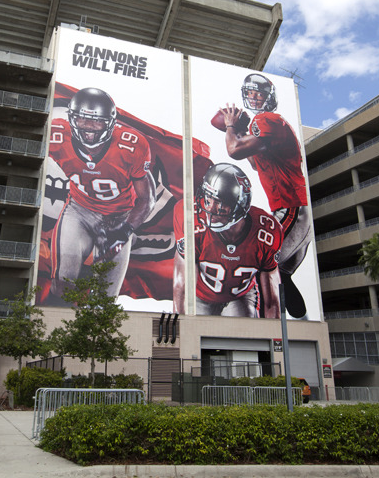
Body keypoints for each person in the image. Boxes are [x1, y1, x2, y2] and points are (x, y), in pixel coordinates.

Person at [217, 73, 311, 317]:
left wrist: (230, 125)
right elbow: (255, 162)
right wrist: (240, 129)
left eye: (259, 93)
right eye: (250, 93)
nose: (254, 97)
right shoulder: (264, 127)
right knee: (279, 274)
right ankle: (297, 323)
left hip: (291, 209)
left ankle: (265, 330)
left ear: (269, 97)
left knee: (258, 264)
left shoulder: (269, 120)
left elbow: (234, 150)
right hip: (293, 211)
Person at [48, 87, 155, 298]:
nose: (89, 127)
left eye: (97, 121)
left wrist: (124, 231)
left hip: (119, 217)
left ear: (111, 123)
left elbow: (146, 199)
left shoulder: (130, 145)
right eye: (82, 119)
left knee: (105, 299)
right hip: (79, 211)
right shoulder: (56, 136)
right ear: (71, 118)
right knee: (62, 282)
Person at [173, 163, 283, 317]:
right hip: (201, 296)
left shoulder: (266, 232)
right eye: (208, 199)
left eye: (219, 203)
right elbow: (183, 287)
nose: (209, 210)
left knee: (245, 336)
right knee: (194, 335)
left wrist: (277, 339)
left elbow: (272, 301)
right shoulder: (190, 218)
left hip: (240, 296)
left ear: (240, 205)